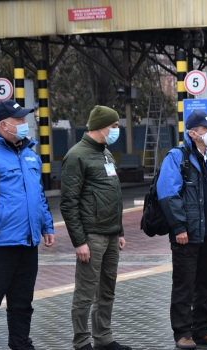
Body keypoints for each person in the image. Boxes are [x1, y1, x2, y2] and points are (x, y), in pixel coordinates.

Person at [0, 100, 55, 350]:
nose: (25, 125)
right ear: (4, 124)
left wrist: (47, 226)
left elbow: (38, 194)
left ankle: (21, 345)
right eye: (19, 121)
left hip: (27, 242)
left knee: (22, 303)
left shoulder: (29, 154)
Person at [157, 110, 207, 349]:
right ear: (193, 134)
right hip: (187, 233)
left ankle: (203, 329)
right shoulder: (177, 157)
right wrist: (179, 227)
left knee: (206, 282)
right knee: (184, 283)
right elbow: (168, 194)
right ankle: (183, 332)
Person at [60, 106, 131, 350]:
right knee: (85, 292)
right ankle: (81, 341)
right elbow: (68, 203)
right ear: (101, 126)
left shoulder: (106, 154)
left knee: (107, 290)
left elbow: (114, 195)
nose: (116, 130)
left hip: (110, 234)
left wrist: (119, 231)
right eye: (114, 126)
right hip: (91, 236)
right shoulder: (76, 156)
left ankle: (103, 337)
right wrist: (79, 241)